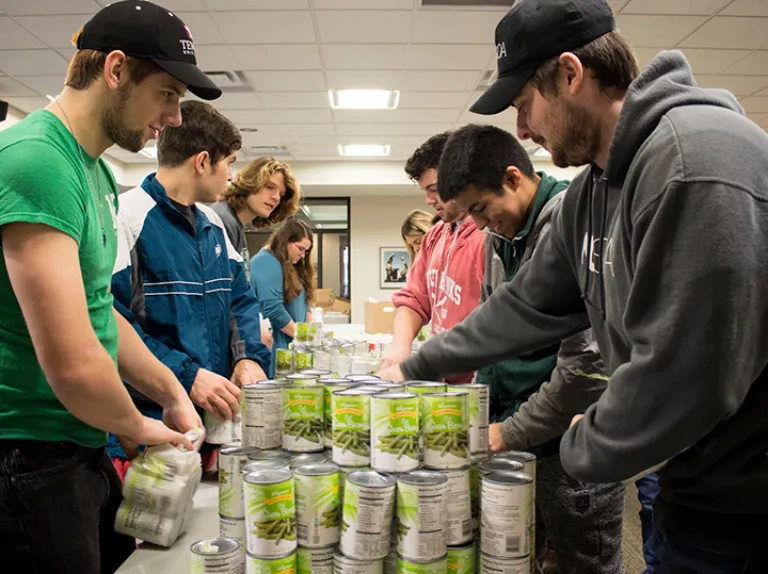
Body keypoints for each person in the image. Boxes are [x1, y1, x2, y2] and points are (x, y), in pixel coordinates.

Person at [381, 0, 768, 572]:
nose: (521, 131)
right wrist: (415, 366)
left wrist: (578, 447)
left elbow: (691, 373)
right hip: (691, 479)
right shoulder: (594, 190)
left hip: (746, 503)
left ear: (570, 74)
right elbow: (524, 305)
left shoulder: (696, 160)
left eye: (523, 106)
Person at [0, 1, 212, 570]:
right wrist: (140, 426)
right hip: (28, 453)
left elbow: (98, 312)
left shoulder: (93, 170)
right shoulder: (37, 161)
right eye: (167, 93)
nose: (174, 117)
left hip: (79, 440)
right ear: (115, 69)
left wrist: (171, 393)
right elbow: (72, 362)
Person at [434, 122, 626, 573]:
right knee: (525, 559)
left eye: (481, 207)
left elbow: (585, 371)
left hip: (570, 447)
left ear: (514, 178)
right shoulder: (497, 238)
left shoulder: (574, 222)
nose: (478, 224)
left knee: (582, 561)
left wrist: (508, 432)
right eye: (469, 215)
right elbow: (491, 332)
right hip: (519, 442)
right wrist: (482, 416)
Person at [110, 99, 271, 470]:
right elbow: (111, 324)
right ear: (202, 162)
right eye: (228, 163)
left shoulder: (213, 224)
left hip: (211, 423)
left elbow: (242, 300)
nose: (231, 177)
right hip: (149, 429)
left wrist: (247, 355)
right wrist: (187, 376)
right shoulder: (126, 219)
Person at [380, 132, 485, 384]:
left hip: (478, 383)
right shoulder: (434, 236)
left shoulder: (487, 235)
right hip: (440, 379)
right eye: (424, 191)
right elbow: (415, 299)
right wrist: (400, 346)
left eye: (434, 190)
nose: (428, 201)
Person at [210, 156, 300, 275]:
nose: (276, 197)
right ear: (250, 182)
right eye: (269, 187)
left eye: (281, 194)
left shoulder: (234, 224)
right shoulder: (223, 221)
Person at [249, 219, 315, 377]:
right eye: (300, 249)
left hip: (294, 350)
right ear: (286, 241)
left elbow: (303, 306)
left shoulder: (289, 264)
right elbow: (274, 311)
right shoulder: (266, 262)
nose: (303, 255)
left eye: (306, 251)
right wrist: (304, 338)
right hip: (277, 353)